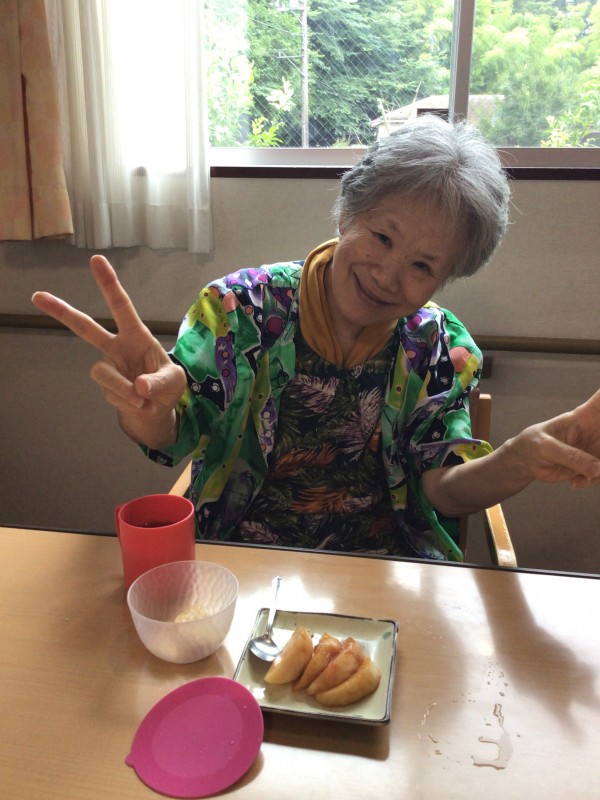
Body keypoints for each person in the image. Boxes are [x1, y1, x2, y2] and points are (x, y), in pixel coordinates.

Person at [32, 115, 600, 561]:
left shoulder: (436, 346)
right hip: (239, 564)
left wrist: (520, 458)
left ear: (447, 278)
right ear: (346, 213)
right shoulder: (239, 310)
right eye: (382, 237)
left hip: (386, 573)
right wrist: (146, 406)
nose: (388, 275)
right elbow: (174, 437)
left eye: (423, 266)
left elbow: (444, 488)